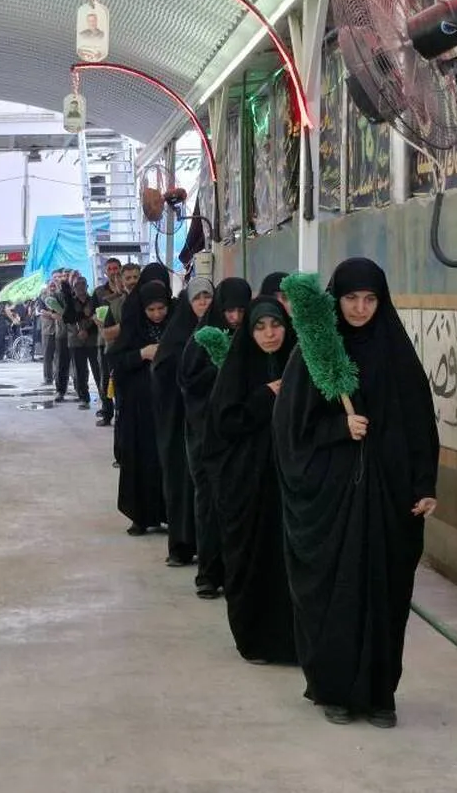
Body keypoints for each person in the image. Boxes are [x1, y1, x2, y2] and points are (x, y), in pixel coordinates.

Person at [273, 258, 438, 728]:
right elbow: (290, 431)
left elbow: (419, 425)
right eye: (350, 298)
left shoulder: (397, 354)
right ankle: (336, 691)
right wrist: (338, 428)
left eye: (370, 299)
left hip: (390, 500)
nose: (361, 308)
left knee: (386, 596)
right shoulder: (314, 354)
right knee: (337, 595)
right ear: (335, 300)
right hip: (332, 500)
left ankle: (380, 694)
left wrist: (425, 484)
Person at [203, 295, 297, 665]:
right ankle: (254, 639)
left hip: (291, 484)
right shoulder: (237, 369)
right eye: (260, 327)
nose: (270, 334)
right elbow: (224, 425)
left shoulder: (299, 365)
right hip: (247, 486)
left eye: (276, 325)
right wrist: (265, 395)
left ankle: (295, 640)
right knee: (252, 558)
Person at [179, 277, 251, 600]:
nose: (234, 317)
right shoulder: (202, 338)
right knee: (209, 502)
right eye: (229, 310)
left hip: (241, 435)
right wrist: (221, 367)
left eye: (241, 311)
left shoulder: (253, 336)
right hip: (206, 436)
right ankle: (208, 574)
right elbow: (188, 381)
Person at [151, 277, 213, 566]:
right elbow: (161, 372)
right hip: (178, 421)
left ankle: (209, 549)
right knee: (180, 482)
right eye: (197, 297)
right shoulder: (177, 333)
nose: (203, 302)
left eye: (207, 297)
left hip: (209, 423)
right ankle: (182, 546)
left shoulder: (222, 331)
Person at [110, 279, 172, 535]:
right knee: (140, 459)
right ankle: (141, 516)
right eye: (151, 310)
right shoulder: (133, 329)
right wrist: (141, 354)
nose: (157, 315)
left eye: (161, 308)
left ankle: (169, 514)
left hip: (169, 406)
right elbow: (116, 361)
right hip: (139, 408)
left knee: (167, 461)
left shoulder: (175, 327)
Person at [92, 258, 126, 427]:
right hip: (104, 341)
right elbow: (92, 313)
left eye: (116, 268)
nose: (113, 272)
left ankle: (122, 413)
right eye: (110, 269)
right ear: (106, 272)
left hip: (124, 341)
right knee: (105, 379)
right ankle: (107, 413)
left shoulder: (127, 291)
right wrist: (98, 321)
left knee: (122, 378)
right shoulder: (99, 292)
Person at [62, 275, 101, 409]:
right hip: (76, 341)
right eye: (77, 285)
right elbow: (67, 318)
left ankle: (103, 396)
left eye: (82, 284)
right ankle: (84, 397)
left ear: (87, 286)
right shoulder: (71, 302)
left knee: (98, 369)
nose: (80, 287)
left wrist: (88, 331)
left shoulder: (93, 301)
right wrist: (83, 314)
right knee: (80, 371)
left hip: (92, 340)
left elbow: (99, 318)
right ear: (74, 288)